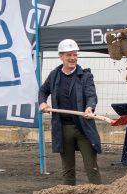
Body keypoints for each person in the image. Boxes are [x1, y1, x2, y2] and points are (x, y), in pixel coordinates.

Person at [38, 39, 102, 185]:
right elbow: (43, 90)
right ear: (61, 56)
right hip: (63, 128)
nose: (73, 58)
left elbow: (91, 95)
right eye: (69, 55)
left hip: (83, 127)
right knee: (67, 169)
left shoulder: (85, 76)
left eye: (75, 55)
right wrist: (42, 102)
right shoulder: (54, 75)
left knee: (91, 167)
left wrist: (89, 107)